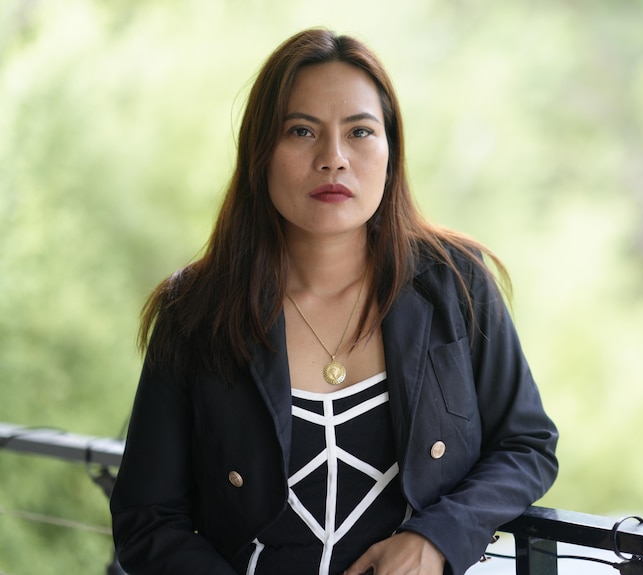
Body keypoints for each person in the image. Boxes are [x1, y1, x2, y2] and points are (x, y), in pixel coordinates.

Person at [110, 27, 558, 575]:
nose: (334, 159)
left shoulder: (455, 282)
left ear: (391, 153)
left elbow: (527, 445)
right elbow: (147, 519)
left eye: (360, 131)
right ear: (260, 153)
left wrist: (437, 537)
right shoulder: (195, 312)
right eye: (301, 131)